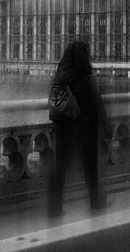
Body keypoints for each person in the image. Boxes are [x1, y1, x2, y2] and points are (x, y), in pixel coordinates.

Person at [47, 41, 112, 218]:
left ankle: (54, 207)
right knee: (90, 168)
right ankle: (97, 202)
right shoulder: (86, 76)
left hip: (62, 128)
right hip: (84, 129)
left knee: (59, 169)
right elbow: (97, 102)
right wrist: (106, 127)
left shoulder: (59, 75)